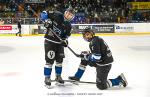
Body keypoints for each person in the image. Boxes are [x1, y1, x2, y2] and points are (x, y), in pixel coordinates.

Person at [40, 7, 75, 87]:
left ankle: (58, 76)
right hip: (50, 42)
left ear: (72, 17)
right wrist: (46, 20)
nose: (68, 15)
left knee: (59, 61)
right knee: (49, 61)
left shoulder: (69, 26)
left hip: (59, 44)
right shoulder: (57, 14)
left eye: (70, 14)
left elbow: (65, 36)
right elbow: (44, 13)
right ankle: (47, 77)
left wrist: (65, 41)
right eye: (68, 13)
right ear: (65, 12)